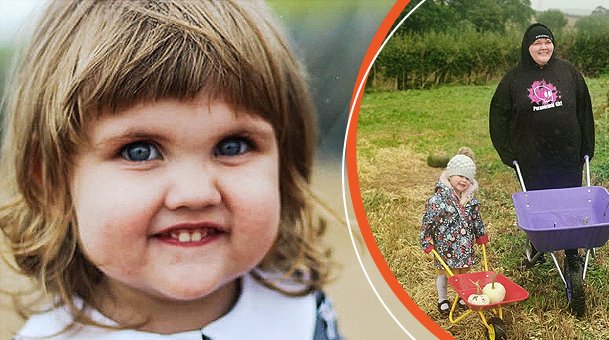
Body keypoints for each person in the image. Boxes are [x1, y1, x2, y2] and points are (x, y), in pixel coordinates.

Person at [0, 1, 341, 339]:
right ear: (51, 182)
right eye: (140, 151)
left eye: (232, 146)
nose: (195, 194)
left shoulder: (302, 310)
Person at [489, 23, 595, 269]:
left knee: (569, 204)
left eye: (547, 42)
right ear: (527, 47)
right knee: (539, 206)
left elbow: (584, 109)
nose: (543, 47)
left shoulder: (568, 72)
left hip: (568, 156)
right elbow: (498, 115)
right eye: (537, 43)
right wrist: (507, 153)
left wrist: (588, 146)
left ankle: (572, 253)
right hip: (531, 160)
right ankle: (539, 244)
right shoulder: (513, 79)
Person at [419, 148, 488, 317]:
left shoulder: (471, 200)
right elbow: (428, 221)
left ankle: (461, 296)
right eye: (460, 176)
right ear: (450, 175)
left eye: (467, 178)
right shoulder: (439, 200)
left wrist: (480, 234)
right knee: (444, 274)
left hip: (464, 246)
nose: (463, 181)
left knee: (463, 273)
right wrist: (427, 240)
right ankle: (442, 299)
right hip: (445, 246)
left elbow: (475, 219)